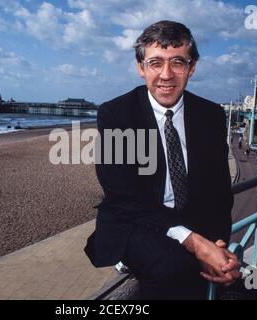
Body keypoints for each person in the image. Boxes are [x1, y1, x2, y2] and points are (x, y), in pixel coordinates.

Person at [84, 21, 241, 299]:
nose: (166, 75)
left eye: (177, 63)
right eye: (156, 63)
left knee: (242, 279)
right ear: (141, 67)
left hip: (193, 218)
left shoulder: (211, 115)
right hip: (135, 219)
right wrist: (196, 244)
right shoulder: (117, 115)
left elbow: (219, 193)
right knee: (170, 267)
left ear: (191, 67)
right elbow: (122, 197)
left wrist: (217, 244)